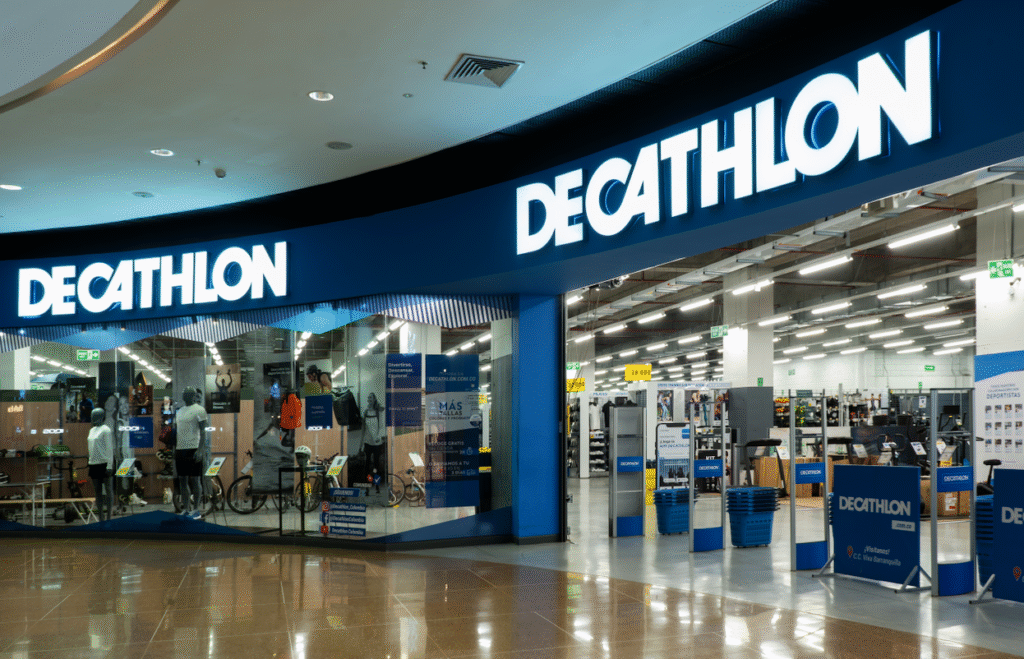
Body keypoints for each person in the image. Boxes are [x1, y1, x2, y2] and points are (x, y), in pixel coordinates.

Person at [175, 388, 209, 519]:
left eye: (188, 394)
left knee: (195, 479)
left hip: (194, 448)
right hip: (180, 449)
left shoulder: (200, 410)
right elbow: (178, 431)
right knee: (182, 480)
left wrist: (200, 450)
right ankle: (186, 508)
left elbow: (203, 431)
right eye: (184, 394)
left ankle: (196, 510)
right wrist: (175, 450)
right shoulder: (179, 411)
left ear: (194, 396)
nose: (185, 396)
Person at [87, 408, 115, 521]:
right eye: (92, 415)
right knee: (97, 492)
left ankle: (109, 516)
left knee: (108, 490)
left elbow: (109, 448)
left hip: (104, 463)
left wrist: (110, 465)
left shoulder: (106, 430)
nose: (92, 418)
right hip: (93, 464)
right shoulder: (92, 430)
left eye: (94, 415)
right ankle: (101, 517)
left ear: (101, 416)